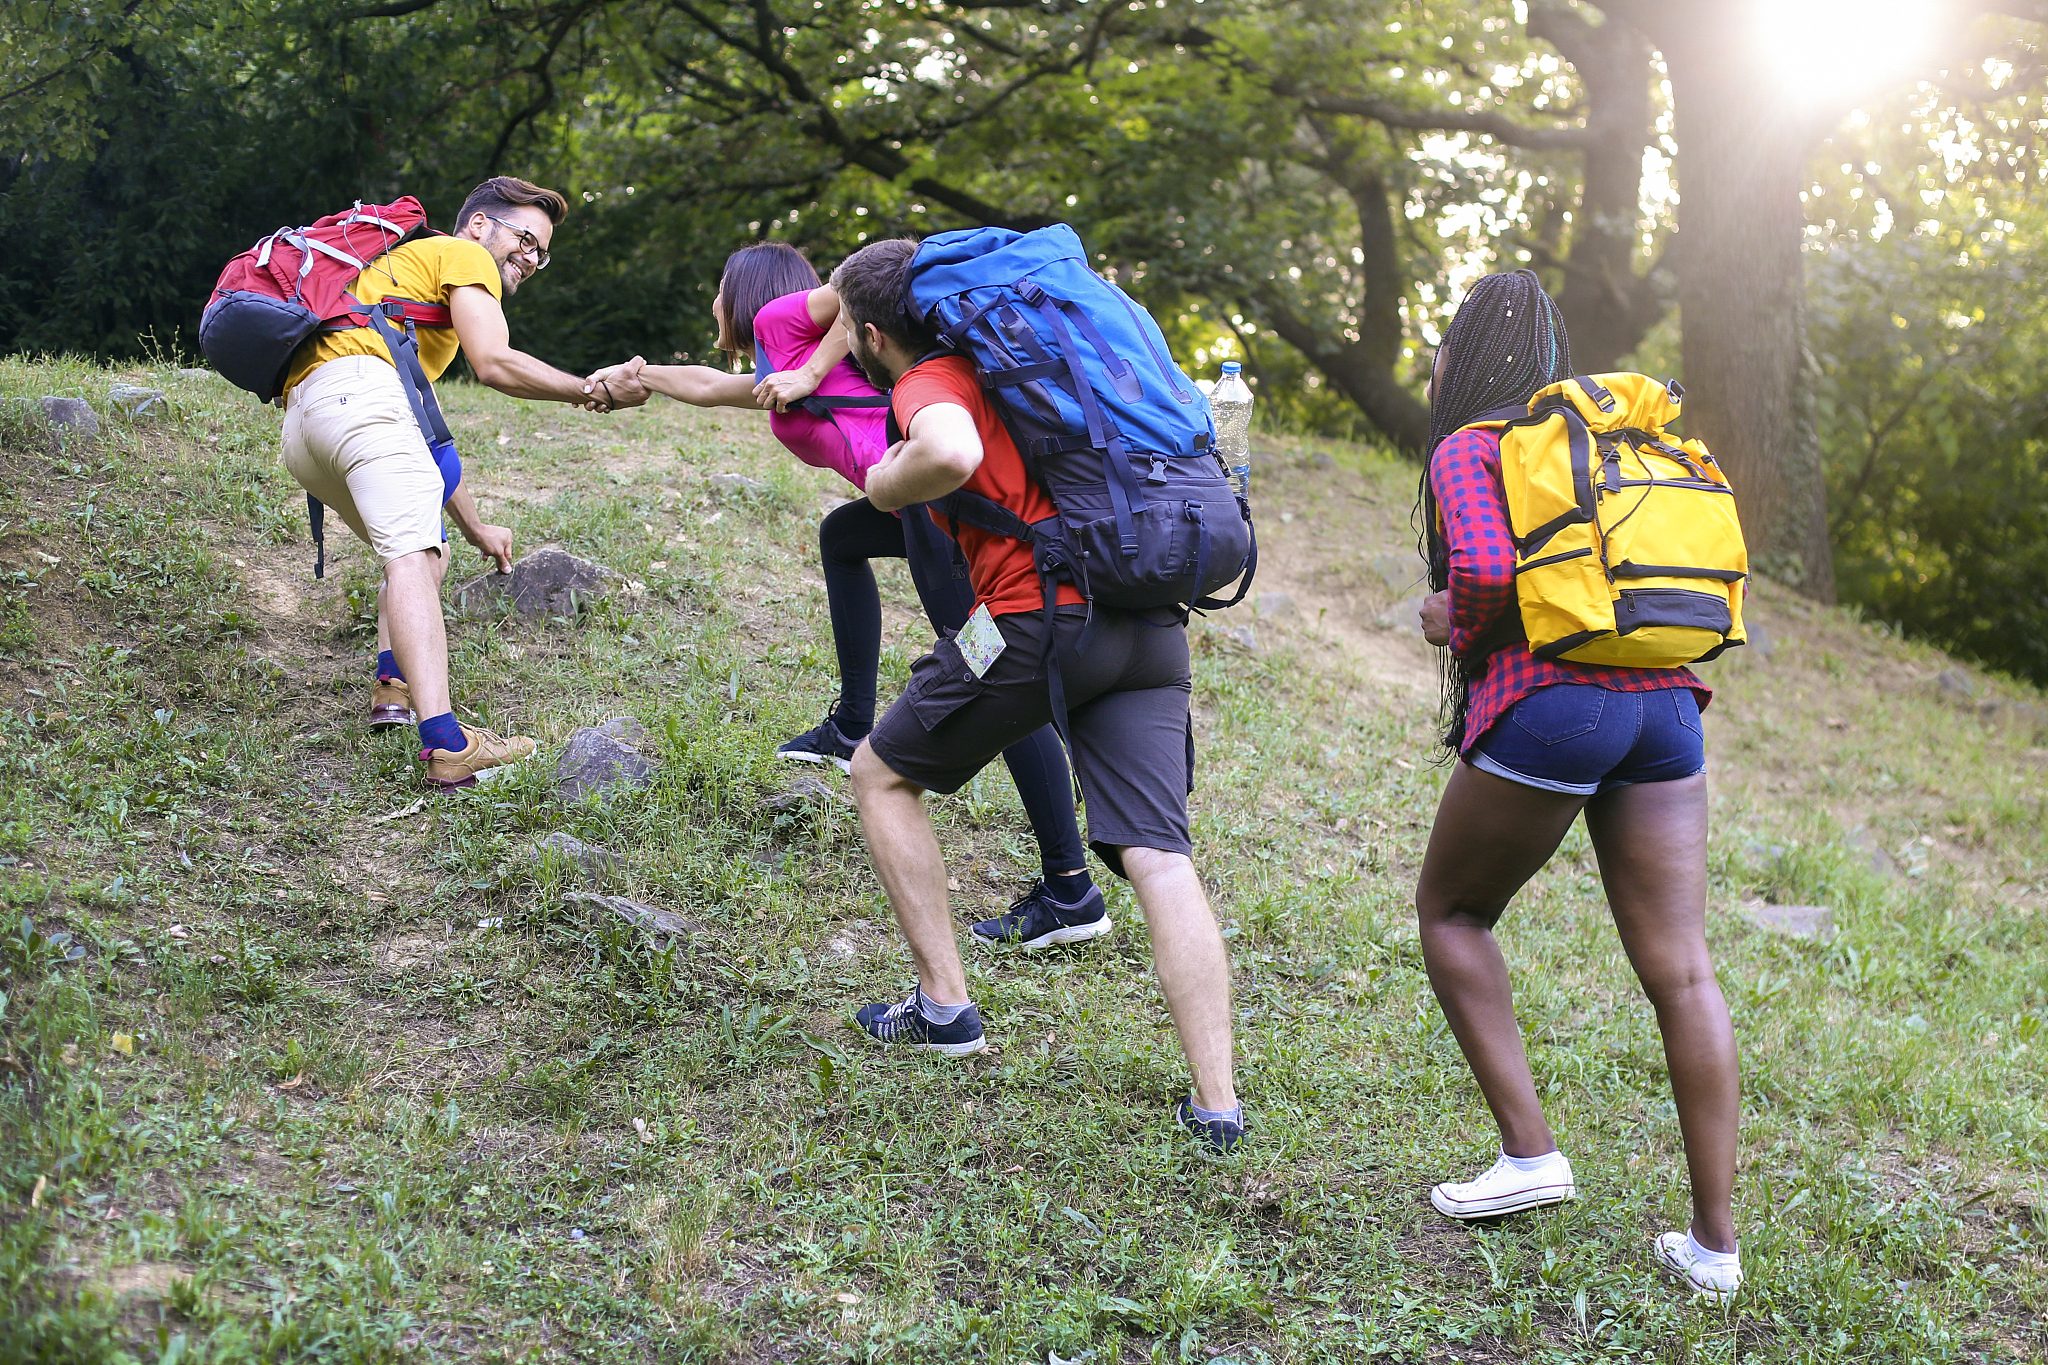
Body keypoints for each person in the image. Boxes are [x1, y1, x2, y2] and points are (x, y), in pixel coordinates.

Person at [822, 237, 1243, 1153]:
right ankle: (1218, 1105)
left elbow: (947, 451)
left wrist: (885, 478)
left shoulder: (934, 374)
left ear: (870, 331)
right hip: (1145, 615)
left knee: (880, 773)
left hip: (1030, 619)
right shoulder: (1044, 363)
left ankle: (944, 1008)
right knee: (1160, 855)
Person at [587, 243, 1108, 947]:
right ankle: (851, 723)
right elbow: (714, 385)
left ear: (746, 291)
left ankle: (1071, 889)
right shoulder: (787, 359)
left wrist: (807, 370)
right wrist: (640, 374)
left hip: (946, 518)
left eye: (718, 289)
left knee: (996, 668)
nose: (715, 304)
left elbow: (867, 272)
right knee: (843, 536)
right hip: (919, 511)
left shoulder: (783, 321)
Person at [1413, 269, 1741, 1301]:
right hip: (1666, 707)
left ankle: (1528, 1155)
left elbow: (1481, 576)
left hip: (1555, 701)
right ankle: (1713, 1248)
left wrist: (1447, 624)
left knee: (1453, 913)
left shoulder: (1474, 446)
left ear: (1466, 356)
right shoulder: (1620, 444)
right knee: (1682, 971)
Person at [280, 175, 649, 788]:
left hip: (306, 430)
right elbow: (496, 363)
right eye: (525, 239)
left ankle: (392, 687)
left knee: (430, 552)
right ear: (480, 225)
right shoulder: (464, 255)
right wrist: (594, 389)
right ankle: (448, 746)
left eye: (542, 251)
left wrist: (476, 526)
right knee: (410, 556)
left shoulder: (396, 287)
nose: (530, 258)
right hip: (359, 403)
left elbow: (428, 450)